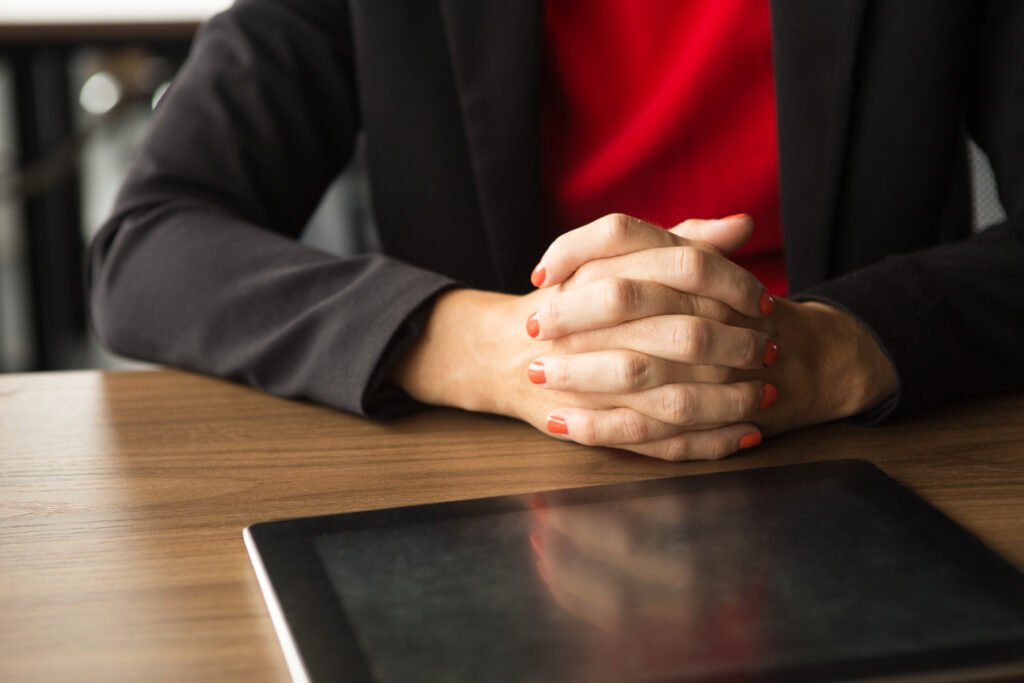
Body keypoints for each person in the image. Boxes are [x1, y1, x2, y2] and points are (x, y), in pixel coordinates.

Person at [86, 0, 1024, 461]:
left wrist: (835, 350)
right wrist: (491, 347)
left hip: (874, 460)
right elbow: (150, 246)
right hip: (486, 481)